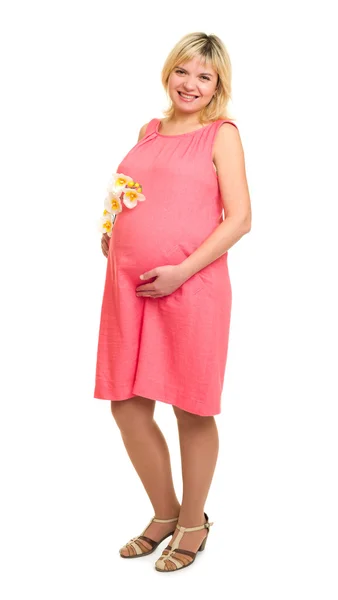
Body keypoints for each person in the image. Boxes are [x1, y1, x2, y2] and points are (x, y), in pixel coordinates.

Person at [94, 31, 251, 573]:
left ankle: (192, 521)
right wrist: (113, 231)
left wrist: (181, 269)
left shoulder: (221, 134)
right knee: (127, 405)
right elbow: (138, 194)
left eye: (204, 77)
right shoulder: (149, 130)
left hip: (192, 288)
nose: (191, 84)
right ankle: (165, 514)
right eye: (183, 71)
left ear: (217, 86)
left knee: (190, 405)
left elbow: (241, 219)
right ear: (170, 73)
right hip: (129, 288)